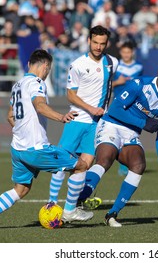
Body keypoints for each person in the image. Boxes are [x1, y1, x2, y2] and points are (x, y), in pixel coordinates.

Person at [0, 49, 93, 229]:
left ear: (28, 64)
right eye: (48, 70)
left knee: (21, 189)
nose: (47, 73)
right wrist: (61, 117)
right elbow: (40, 106)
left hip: (18, 149)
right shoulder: (37, 83)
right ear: (45, 66)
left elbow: (10, 116)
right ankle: (70, 211)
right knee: (81, 165)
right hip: (36, 149)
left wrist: (21, 131)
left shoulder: (18, 84)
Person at [78, 57, 158, 227]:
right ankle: (78, 200)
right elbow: (115, 109)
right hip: (111, 124)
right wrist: (143, 123)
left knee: (139, 165)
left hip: (130, 132)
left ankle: (112, 214)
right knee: (106, 158)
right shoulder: (139, 84)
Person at [47, 25, 118, 209]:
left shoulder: (112, 63)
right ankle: (52, 202)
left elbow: (109, 86)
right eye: (95, 42)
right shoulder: (78, 65)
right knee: (62, 163)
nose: (98, 47)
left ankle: (71, 207)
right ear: (88, 41)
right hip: (77, 120)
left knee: (84, 165)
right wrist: (91, 108)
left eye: (102, 43)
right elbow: (70, 95)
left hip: (96, 125)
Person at [112, 41, 143, 176]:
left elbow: (141, 85)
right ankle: (123, 164)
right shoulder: (115, 66)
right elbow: (107, 85)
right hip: (118, 105)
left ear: (132, 53)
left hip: (133, 106)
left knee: (130, 135)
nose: (126, 54)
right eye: (124, 52)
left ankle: (129, 163)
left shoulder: (138, 67)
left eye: (128, 52)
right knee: (118, 134)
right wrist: (118, 82)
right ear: (121, 53)